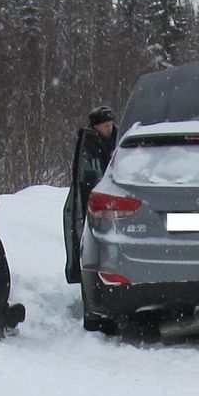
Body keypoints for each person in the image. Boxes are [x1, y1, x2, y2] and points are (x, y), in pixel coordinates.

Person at [63, 105, 118, 283]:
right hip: (95, 196)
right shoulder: (89, 143)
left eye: (111, 125)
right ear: (96, 126)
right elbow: (89, 175)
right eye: (105, 126)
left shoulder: (118, 137)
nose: (109, 129)